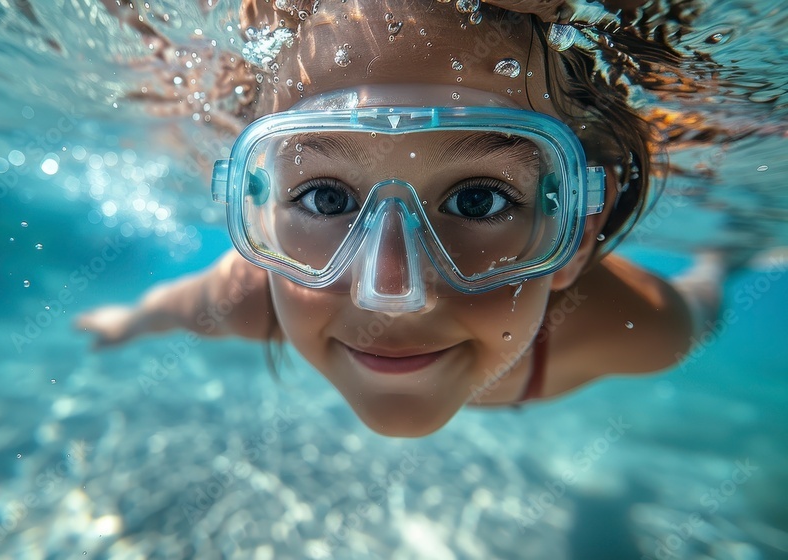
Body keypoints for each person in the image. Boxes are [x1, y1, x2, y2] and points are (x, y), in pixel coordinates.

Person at [76, 0, 717, 437]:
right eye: (326, 199)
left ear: (575, 233)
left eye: (479, 200)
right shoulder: (243, 297)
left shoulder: (647, 327)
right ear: (256, 214)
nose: (391, 295)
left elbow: (697, 310)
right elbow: (167, 307)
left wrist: (711, 276)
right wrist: (126, 323)